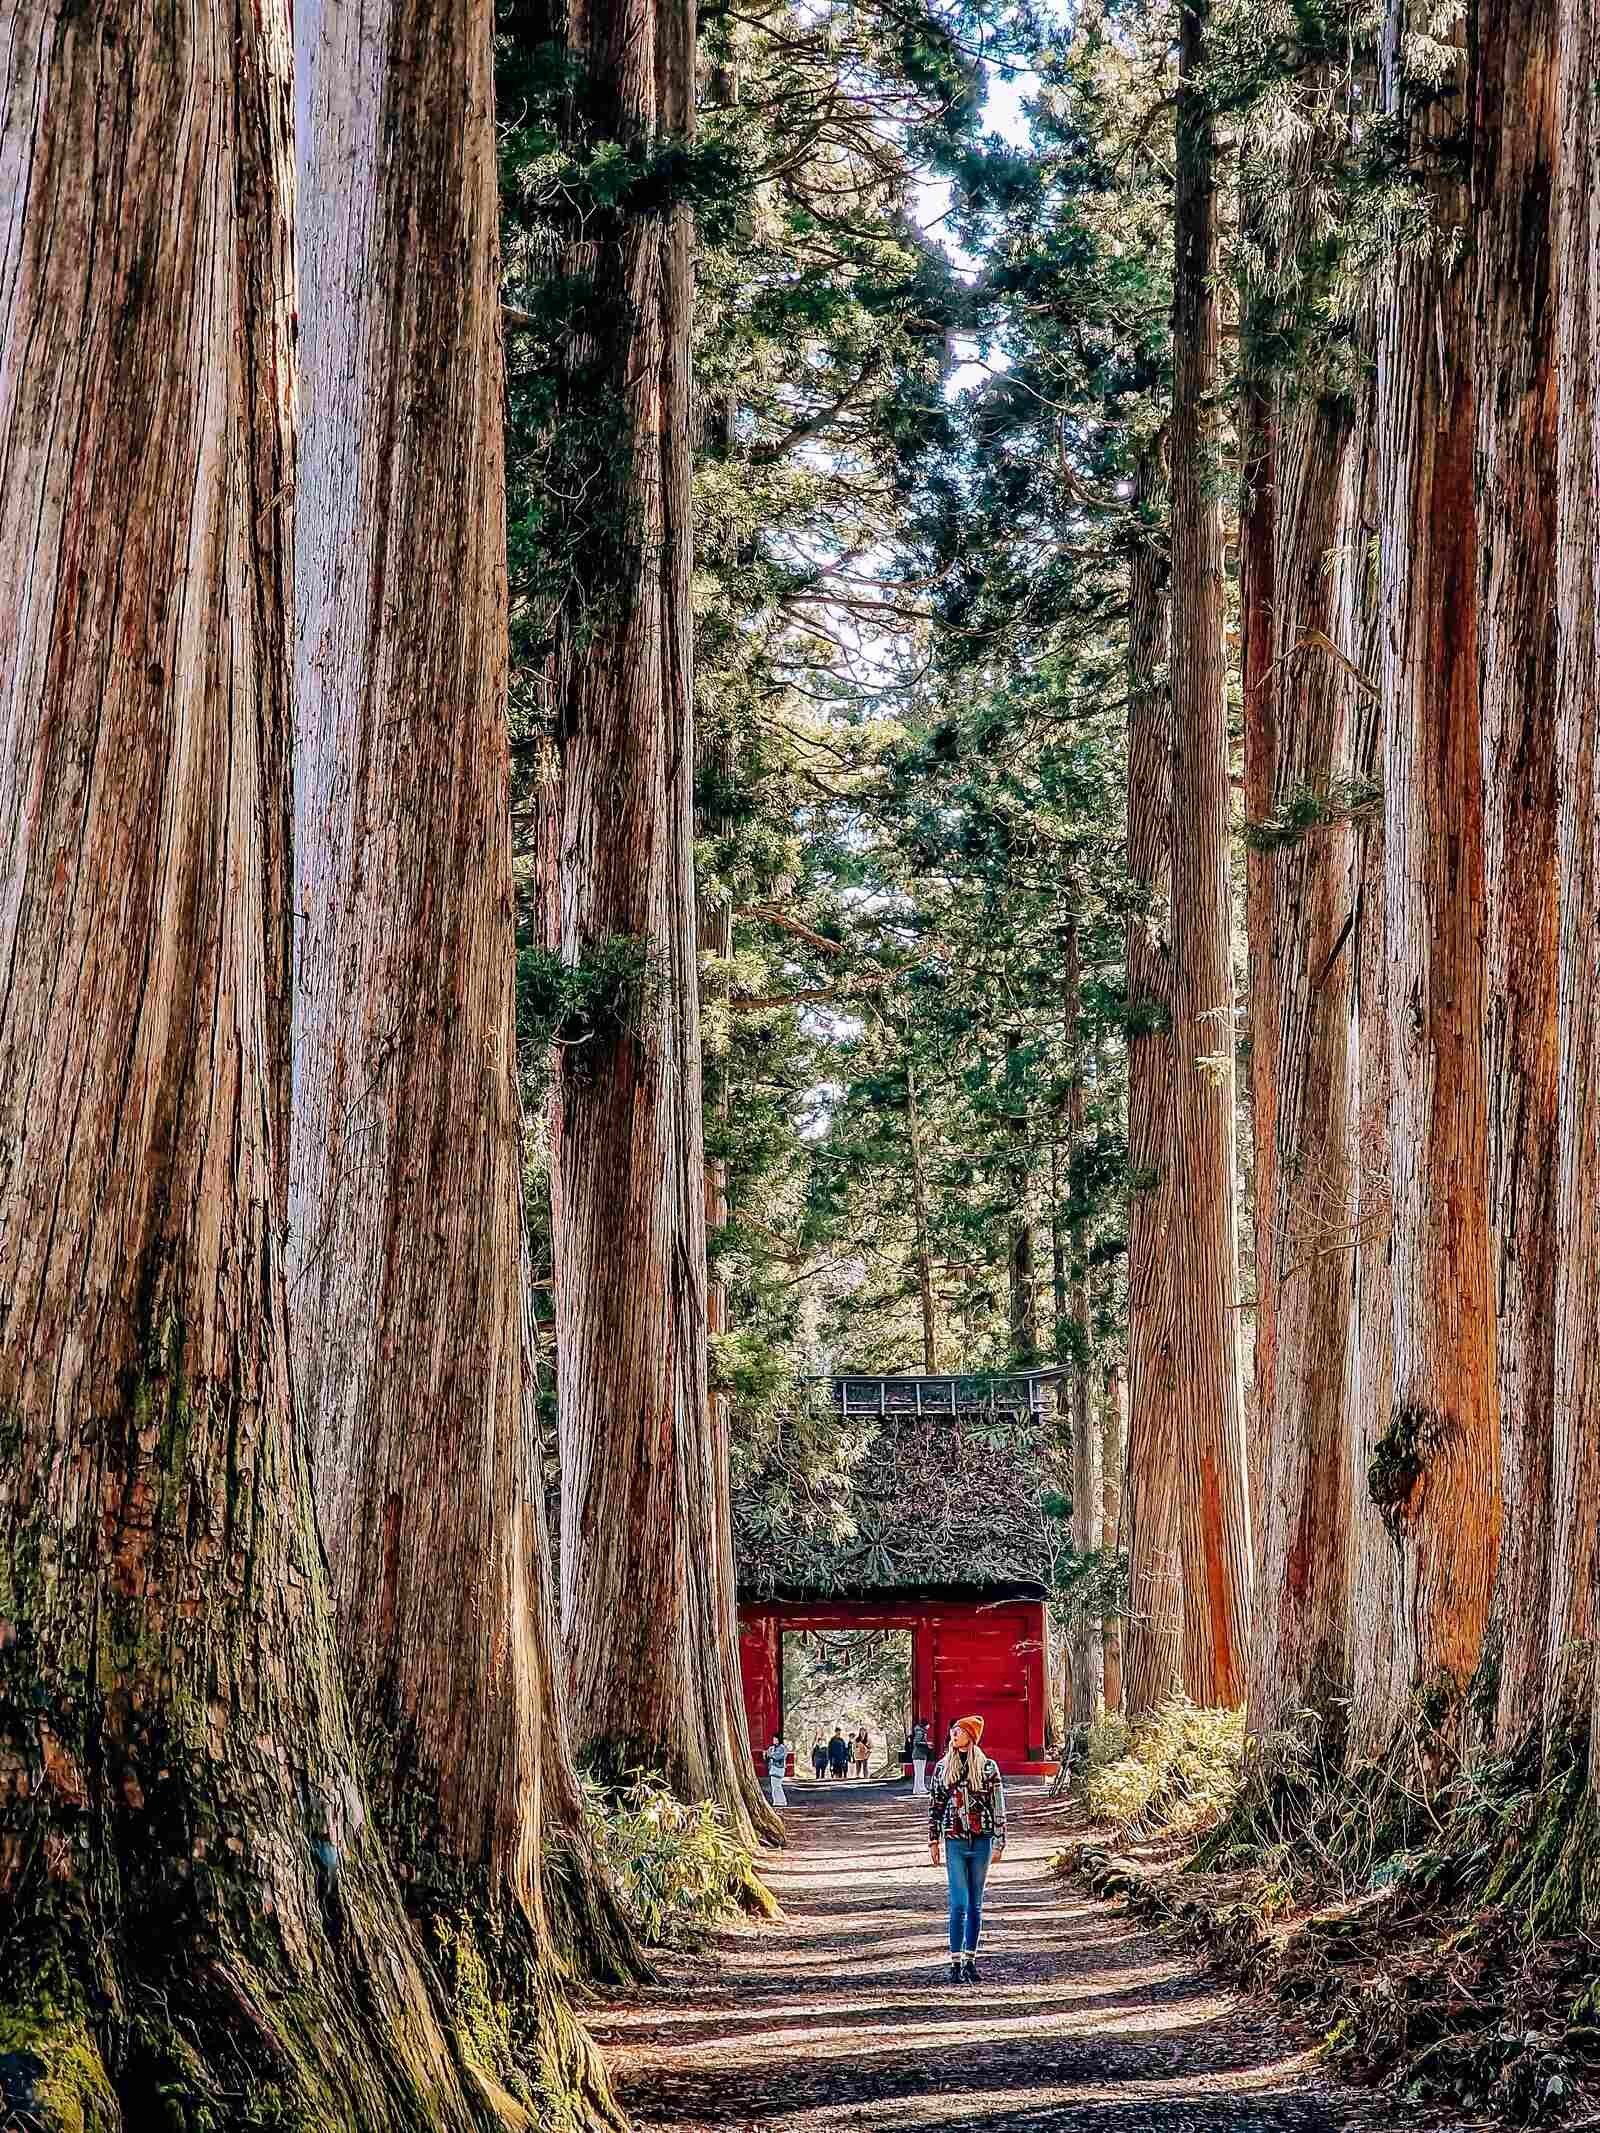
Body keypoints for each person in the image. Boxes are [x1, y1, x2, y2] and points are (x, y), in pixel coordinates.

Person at [927, 1713, 1007, 1984]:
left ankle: (970, 1960)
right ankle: (954, 1961)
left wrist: (1000, 1841)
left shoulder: (988, 1768)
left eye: (960, 1731)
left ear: (971, 1736)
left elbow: (998, 1806)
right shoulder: (942, 1768)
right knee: (958, 1903)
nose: (954, 1734)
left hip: (982, 1840)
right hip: (954, 1840)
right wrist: (933, 1839)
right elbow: (935, 1805)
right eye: (953, 1731)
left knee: (975, 1904)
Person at [766, 1733, 792, 1808]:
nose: (774, 1741)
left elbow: (778, 1757)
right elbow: (767, 1754)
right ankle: (776, 1801)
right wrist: (770, 1754)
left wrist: (771, 1755)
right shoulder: (772, 1748)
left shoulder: (782, 1748)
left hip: (779, 1768)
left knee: (778, 1786)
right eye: (773, 1739)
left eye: (775, 1739)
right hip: (772, 1768)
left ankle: (782, 1801)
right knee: (774, 1786)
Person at [910, 1717, 931, 1797]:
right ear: (925, 1725)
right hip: (919, 1755)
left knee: (918, 1773)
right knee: (920, 1773)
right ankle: (921, 1789)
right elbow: (917, 1742)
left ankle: (917, 1789)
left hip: (918, 1755)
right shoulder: (920, 1732)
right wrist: (927, 1744)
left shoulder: (919, 1731)